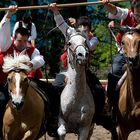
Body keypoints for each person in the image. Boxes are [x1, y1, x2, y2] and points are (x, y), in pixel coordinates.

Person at [48, 3, 106, 129]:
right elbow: (61, 23)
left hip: (84, 72)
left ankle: (99, 116)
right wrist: (55, 11)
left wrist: (80, 32)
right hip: (66, 71)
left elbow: (89, 46)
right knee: (55, 88)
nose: (83, 29)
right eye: (81, 26)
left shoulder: (93, 39)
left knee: (99, 90)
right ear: (78, 26)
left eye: (86, 28)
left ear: (90, 29)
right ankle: (53, 116)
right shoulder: (70, 32)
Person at [0, 5, 45, 138]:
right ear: (14, 38)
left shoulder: (31, 50)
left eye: (25, 41)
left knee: (49, 93)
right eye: (20, 40)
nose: (22, 43)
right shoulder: (7, 45)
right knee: (0, 100)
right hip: (3, 83)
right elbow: (2, 31)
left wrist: (31, 64)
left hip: (26, 83)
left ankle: (50, 122)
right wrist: (8, 15)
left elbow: (40, 59)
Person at [102, 0, 140, 122]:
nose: (139, 18)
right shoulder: (126, 14)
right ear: (133, 12)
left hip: (139, 54)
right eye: (137, 15)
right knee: (113, 73)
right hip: (123, 53)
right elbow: (115, 10)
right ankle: (110, 105)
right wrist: (107, 5)